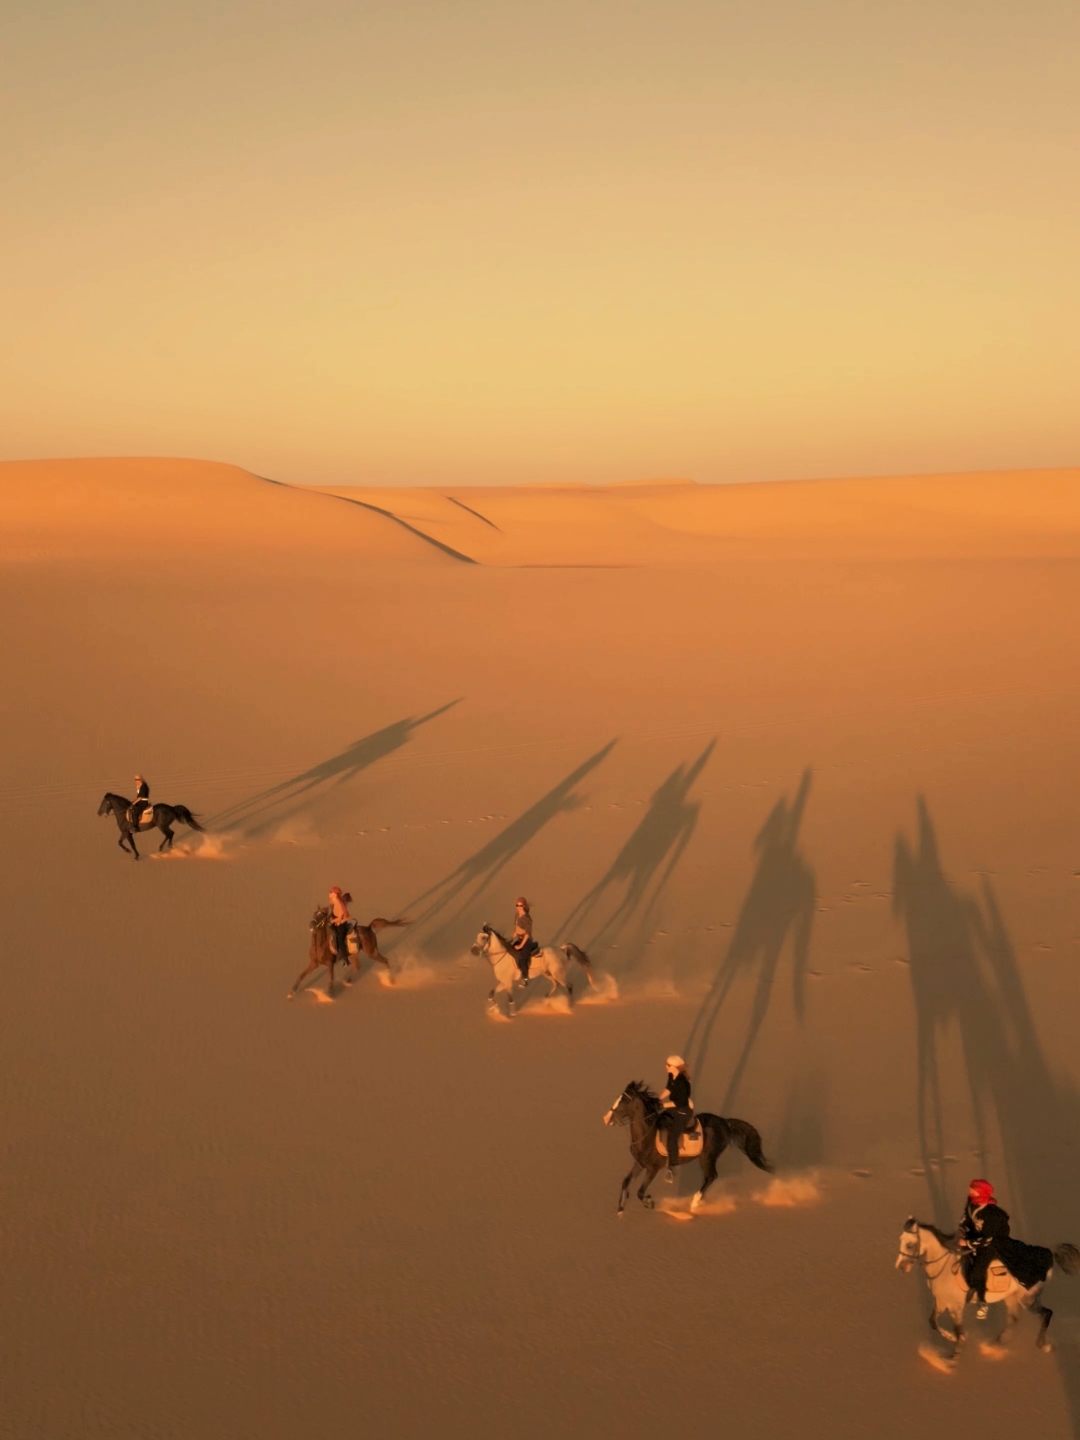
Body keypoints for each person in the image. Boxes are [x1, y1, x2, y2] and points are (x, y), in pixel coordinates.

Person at [659, 1056, 694, 1182]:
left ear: (674, 1067)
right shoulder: (672, 1076)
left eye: (668, 1065)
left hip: (682, 1112)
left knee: (672, 1138)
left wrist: (662, 1105)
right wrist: (658, 1099)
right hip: (673, 1109)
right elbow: (668, 1088)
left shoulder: (682, 1083)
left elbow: (680, 1103)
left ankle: (672, 1168)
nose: (666, 1066)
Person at [511, 896, 538, 984]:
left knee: (522, 958)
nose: (518, 907)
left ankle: (525, 978)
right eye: (517, 905)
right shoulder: (517, 915)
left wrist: (520, 945)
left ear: (524, 906)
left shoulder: (527, 918)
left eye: (520, 905)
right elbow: (517, 927)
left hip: (527, 941)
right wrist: (514, 934)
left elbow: (527, 934)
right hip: (519, 938)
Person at [328, 886, 353, 962]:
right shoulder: (335, 901)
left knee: (340, 940)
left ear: (335, 894)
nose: (329, 893)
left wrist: (332, 921)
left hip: (340, 924)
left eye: (330, 892)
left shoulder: (339, 903)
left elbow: (340, 917)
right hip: (336, 922)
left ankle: (345, 959)